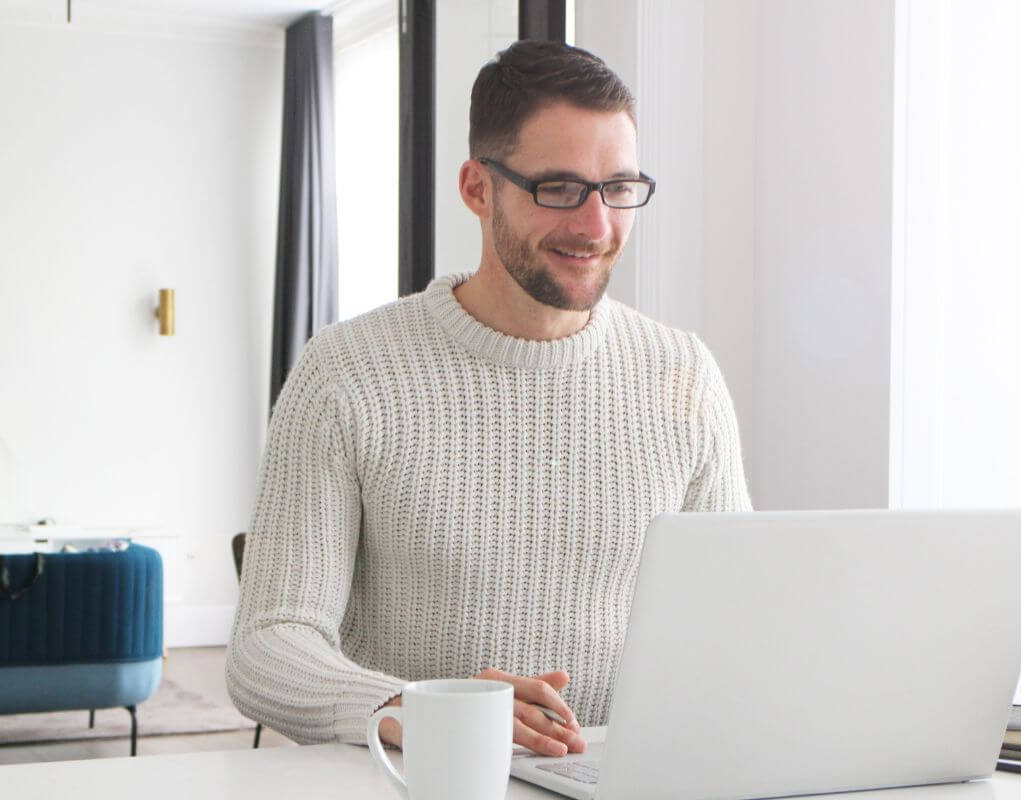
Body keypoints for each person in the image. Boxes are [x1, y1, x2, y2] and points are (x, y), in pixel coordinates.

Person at [226, 39, 751, 759]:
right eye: (559, 188)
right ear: (478, 188)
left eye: (619, 188)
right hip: (424, 781)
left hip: (617, 778)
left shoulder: (684, 374)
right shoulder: (345, 373)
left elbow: (733, 623)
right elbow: (267, 644)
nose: (597, 226)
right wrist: (417, 711)